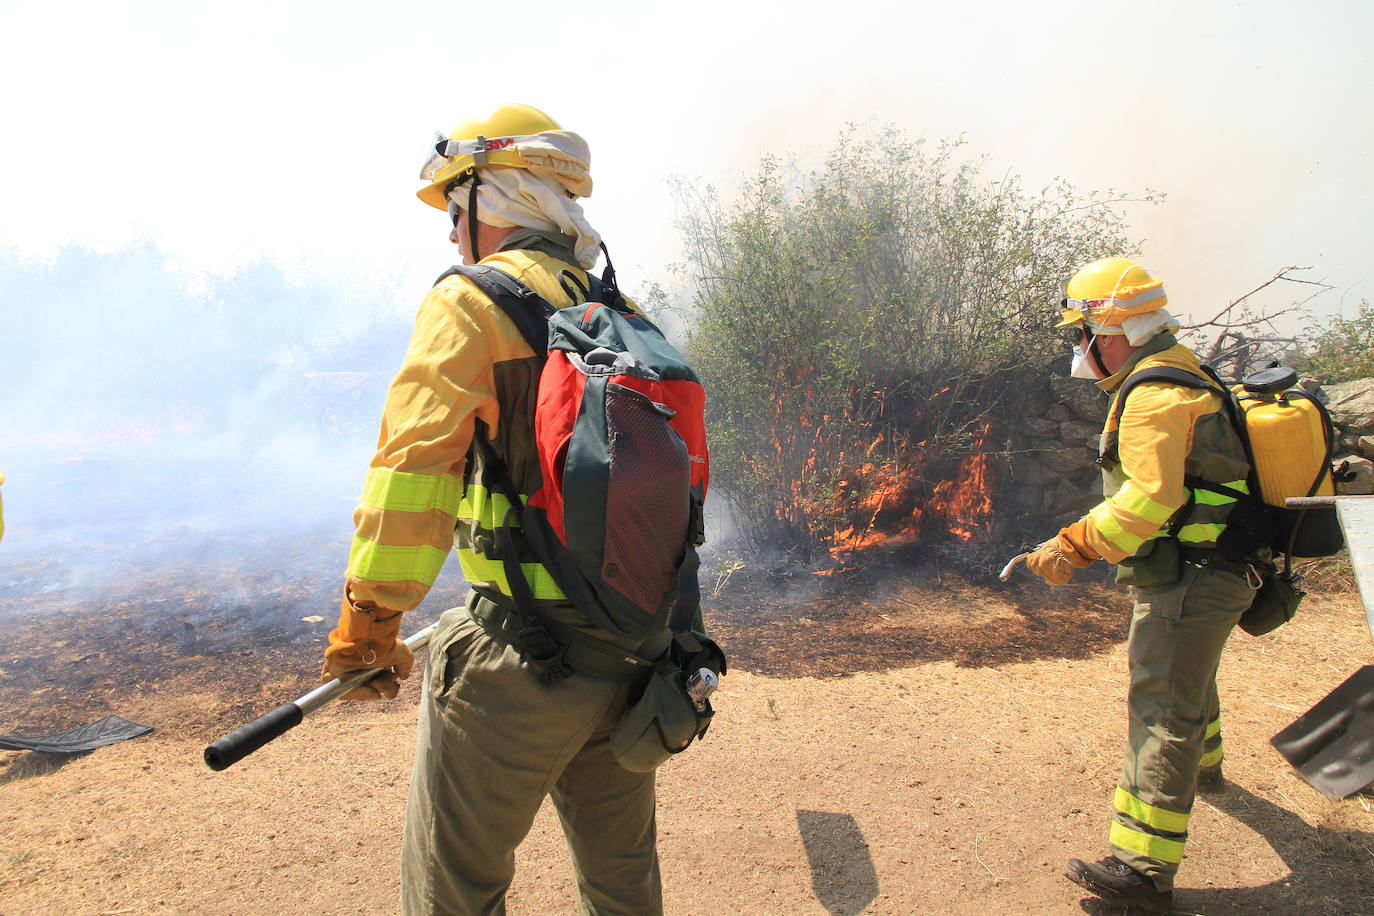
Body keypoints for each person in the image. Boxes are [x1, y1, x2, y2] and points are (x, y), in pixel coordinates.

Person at [320, 103, 666, 915]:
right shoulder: (622, 312)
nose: (449, 235)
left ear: (495, 198)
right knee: (623, 888)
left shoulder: (470, 303)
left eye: (453, 209)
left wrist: (370, 618)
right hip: (630, 651)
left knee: (456, 892)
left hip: (520, 661)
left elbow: (414, 471)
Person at [1024, 257, 1261, 913]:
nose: (1079, 348)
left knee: (1161, 707)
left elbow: (1149, 501)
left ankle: (1142, 870)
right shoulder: (1183, 368)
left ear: (1113, 329)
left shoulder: (1153, 395)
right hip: (1216, 569)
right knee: (1189, 676)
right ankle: (1206, 767)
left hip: (1191, 577)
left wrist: (1070, 547)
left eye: (1082, 333)